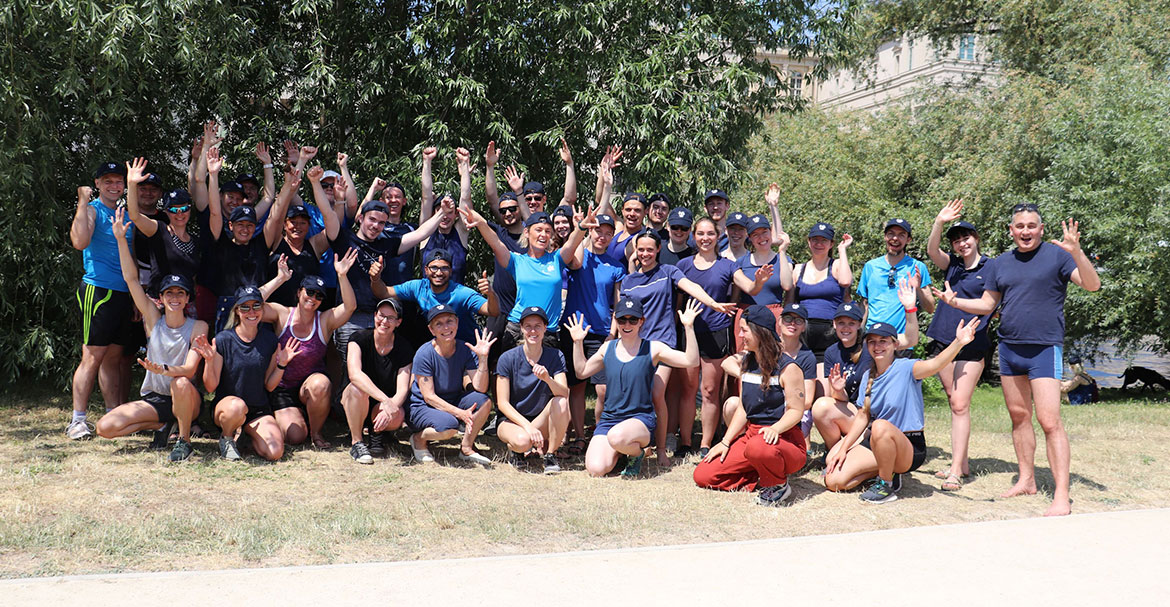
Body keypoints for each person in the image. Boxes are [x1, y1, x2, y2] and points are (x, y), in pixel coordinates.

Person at [935, 205, 1101, 516]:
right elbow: (987, 304)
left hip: (1044, 348)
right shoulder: (1000, 263)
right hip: (1010, 349)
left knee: (1050, 421)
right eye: (1020, 226)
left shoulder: (1058, 256)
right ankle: (1026, 480)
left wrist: (1077, 252)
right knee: (1019, 417)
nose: (1026, 231)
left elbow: (1092, 285)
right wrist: (954, 302)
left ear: (1041, 229)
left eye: (1031, 226)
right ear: (1011, 230)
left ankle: (1061, 496)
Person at [823, 319, 981, 504]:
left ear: (895, 344)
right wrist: (843, 449)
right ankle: (886, 470)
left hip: (908, 446)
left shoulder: (908, 367)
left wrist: (958, 342)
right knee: (833, 480)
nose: (877, 346)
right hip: (878, 441)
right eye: (872, 342)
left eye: (883, 341)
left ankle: (886, 484)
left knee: (880, 425)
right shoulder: (867, 376)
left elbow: (936, 364)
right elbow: (862, 416)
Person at [99, 209, 208, 463]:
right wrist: (120, 239)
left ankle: (184, 441)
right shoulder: (153, 320)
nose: (174, 298)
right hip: (156, 399)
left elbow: (189, 370)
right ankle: (163, 424)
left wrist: (163, 370)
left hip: (186, 397)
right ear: (161, 297)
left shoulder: (198, 326)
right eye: (169, 293)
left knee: (180, 383)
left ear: (188, 298)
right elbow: (131, 280)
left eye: (180, 293)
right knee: (106, 428)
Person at [619, 231, 736, 463]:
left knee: (656, 393)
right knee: (637, 395)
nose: (645, 254)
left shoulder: (668, 272)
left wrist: (712, 303)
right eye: (641, 249)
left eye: (650, 249)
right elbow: (623, 314)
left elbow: (691, 286)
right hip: (636, 345)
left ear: (658, 250)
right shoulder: (628, 280)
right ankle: (640, 445)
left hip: (663, 343)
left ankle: (661, 448)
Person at [566, 297, 702, 477]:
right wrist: (577, 342)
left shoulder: (653, 348)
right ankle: (623, 453)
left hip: (640, 420)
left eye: (633, 319)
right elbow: (582, 372)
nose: (627, 324)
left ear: (641, 321)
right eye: (622, 319)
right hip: (609, 420)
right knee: (596, 469)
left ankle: (636, 454)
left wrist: (689, 327)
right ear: (616, 320)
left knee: (617, 437)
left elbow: (691, 361)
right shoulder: (607, 348)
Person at [675, 217, 771, 458]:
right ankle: (685, 442)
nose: (705, 238)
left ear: (718, 236)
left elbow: (750, 288)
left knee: (709, 390)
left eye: (710, 233)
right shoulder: (683, 265)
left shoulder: (728, 265)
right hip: (689, 332)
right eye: (700, 233)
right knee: (687, 389)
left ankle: (705, 444)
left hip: (717, 333)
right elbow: (677, 302)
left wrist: (759, 281)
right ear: (693, 236)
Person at [694, 305, 808, 506]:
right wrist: (725, 442)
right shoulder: (747, 362)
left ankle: (777, 485)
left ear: (759, 332)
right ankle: (761, 475)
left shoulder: (789, 368)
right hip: (753, 438)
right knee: (704, 475)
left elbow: (796, 411)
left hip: (785, 438)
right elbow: (743, 408)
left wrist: (775, 429)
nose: (740, 335)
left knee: (758, 446)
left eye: (744, 330)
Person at [461, 204, 595, 354]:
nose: (543, 235)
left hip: (547, 332)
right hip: (517, 329)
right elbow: (496, 243)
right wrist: (481, 223)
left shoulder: (557, 259)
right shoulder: (516, 261)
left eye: (547, 231)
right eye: (538, 230)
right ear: (526, 232)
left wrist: (581, 227)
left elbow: (572, 243)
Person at [258, 249, 358, 449]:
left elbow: (350, 307)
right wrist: (280, 279)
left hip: (310, 386)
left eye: (319, 296)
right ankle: (290, 417)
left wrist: (342, 275)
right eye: (309, 292)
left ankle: (316, 433)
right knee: (294, 436)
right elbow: (252, 302)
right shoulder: (282, 314)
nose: (313, 298)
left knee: (321, 384)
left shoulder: (325, 321)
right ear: (299, 292)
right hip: (282, 386)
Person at [924, 199, 992, 491]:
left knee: (961, 404)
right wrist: (939, 222)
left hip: (973, 342)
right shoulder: (952, 265)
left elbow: (989, 304)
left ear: (976, 239)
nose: (961, 243)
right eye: (956, 240)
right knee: (955, 401)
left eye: (966, 237)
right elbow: (931, 251)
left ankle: (955, 471)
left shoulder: (991, 267)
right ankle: (961, 463)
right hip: (944, 339)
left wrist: (956, 302)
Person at [812, 278, 922, 454]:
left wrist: (910, 309)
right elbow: (839, 399)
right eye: (841, 323)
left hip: (876, 416)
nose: (846, 328)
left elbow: (911, 340)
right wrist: (838, 389)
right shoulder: (832, 352)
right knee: (821, 406)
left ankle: (866, 450)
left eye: (851, 323)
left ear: (859, 324)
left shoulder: (872, 345)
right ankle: (834, 451)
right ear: (834, 324)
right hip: (854, 413)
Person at [68, 161, 134, 439]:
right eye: (107, 181)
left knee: (113, 357)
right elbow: (79, 242)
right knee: (92, 356)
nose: (114, 186)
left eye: (118, 181)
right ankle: (77, 420)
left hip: (124, 292)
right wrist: (82, 202)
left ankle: (112, 415)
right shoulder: (93, 209)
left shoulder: (126, 212)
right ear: (97, 184)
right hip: (98, 291)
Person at [193, 286, 289, 462]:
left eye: (256, 306)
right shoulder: (223, 339)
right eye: (245, 307)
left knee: (275, 452)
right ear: (237, 311)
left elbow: (269, 385)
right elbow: (210, 387)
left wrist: (281, 365)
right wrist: (209, 361)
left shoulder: (270, 340)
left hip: (257, 410)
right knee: (237, 407)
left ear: (262, 309)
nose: (251, 312)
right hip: (229, 408)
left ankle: (245, 438)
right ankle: (227, 438)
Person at [561, 212, 626, 454]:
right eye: (599, 231)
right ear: (591, 230)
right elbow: (574, 260)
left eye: (608, 233)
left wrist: (612, 334)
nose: (603, 236)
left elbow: (618, 304)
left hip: (602, 333)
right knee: (574, 387)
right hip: (574, 330)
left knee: (603, 389)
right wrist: (580, 227)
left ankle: (601, 435)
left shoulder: (616, 267)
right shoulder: (579, 257)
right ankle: (576, 436)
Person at [405, 305, 496, 466]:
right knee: (449, 427)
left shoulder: (465, 349)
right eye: (439, 324)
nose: (446, 327)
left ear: (457, 323)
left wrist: (483, 359)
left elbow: (480, 388)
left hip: (452, 399)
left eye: (449, 321)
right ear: (431, 330)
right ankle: (418, 439)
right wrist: (460, 413)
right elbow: (429, 397)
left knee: (484, 401)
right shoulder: (424, 353)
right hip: (422, 406)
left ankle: (466, 448)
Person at [496, 307, 571, 473]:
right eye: (528, 326)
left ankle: (551, 455)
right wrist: (528, 427)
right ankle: (516, 451)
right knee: (523, 442)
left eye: (538, 326)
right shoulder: (507, 358)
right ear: (521, 328)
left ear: (545, 328)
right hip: (512, 421)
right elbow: (502, 403)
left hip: (540, 419)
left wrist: (547, 379)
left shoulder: (556, 355)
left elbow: (564, 393)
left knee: (561, 402)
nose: (533, 331)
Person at [341, 298, 414, 464]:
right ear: (375, 316)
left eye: (391, 318)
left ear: (398, 322)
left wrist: (389, 408)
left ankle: (377, 434)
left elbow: (403, 389)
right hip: (354, 401)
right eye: (381, 315)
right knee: (357, 388)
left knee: (398, 415)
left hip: (381, 406)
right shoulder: (358, 338)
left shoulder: (404, 347)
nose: (384, 321)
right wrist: (386, 400)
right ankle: (357, 442)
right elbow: (355, 375)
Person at [371, 248, 499, 344]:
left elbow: (492, 311)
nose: (439, 273)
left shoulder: (461, 294)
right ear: (426, 270)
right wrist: (375, 279)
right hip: (439, 347)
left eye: (444, 268)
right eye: (434, 268)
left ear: (451, 271)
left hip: (468, 347)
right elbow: (383, 293)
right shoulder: (419, 287)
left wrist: (491, 294)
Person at [785, 220, 854, 371]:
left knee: (824, 378)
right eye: (815, 239)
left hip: (829, 333)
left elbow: (846, 281)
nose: (819, 244)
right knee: (800, 375)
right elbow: (789, 303)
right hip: (802, 331)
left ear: (831, 244)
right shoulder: (798, 269)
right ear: (809, 242)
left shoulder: (836, 265)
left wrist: (842, 250)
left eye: (824, 240)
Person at [857, 218, 935, 332]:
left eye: (901, 235)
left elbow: (930, 308)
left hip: (903, 337)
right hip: (873, 336)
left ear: (908, 240)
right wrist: (858, 335)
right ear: (885, 236)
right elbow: (864, 304)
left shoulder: (917, 267)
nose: (895, 238)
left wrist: (918, 288)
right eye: (891, 234)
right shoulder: (870, 266)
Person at [419, 146, 472, 283]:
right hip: (428, 295)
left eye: (449, 212)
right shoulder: (426, 233)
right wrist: (427, 161)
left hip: (455, 295)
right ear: (434, 213)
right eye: (441, 211)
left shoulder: (460, 233)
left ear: (456, 215)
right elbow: (426, 198)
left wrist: (464, 164)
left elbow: (465, 198)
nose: (445, 216)